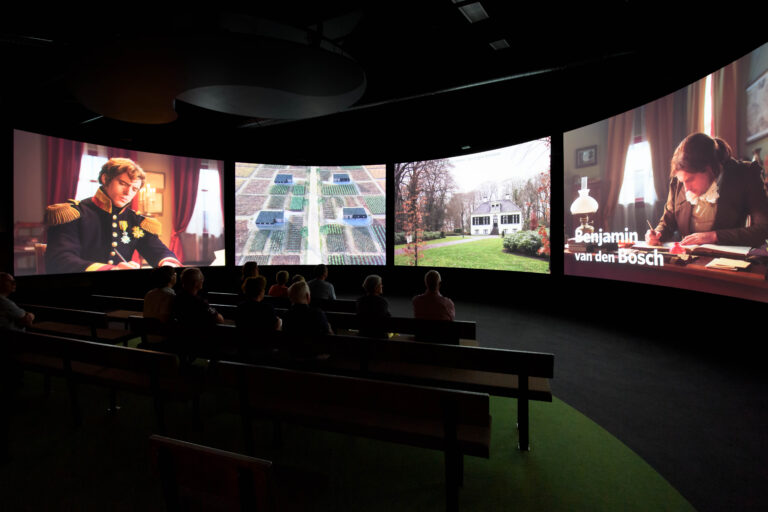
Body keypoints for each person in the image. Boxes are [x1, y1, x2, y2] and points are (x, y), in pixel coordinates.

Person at [44, 157, 181, 274]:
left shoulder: (135, 220)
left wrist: (168, 264)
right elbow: (59, 260)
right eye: (122, 184)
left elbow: (158, 251)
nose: (128, 192)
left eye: (134, 189)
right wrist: (112, 269)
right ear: (105, 179)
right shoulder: (72, 214)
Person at [645, 133, 768, 248]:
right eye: (682, 181)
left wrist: (714, 236)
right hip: (688, 258)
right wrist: (657, 233)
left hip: (728, 259)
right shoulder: (678, 182)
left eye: (690, 179)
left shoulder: (745, 173)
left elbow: (763, 229)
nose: (686, 188)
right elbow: (667, 222)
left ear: (709, 169)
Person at [356, 274, 391, 339]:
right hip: (379, 336)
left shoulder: (360, 301)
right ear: (376, 287)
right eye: (380, 284)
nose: (382, 286)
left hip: (363, 335)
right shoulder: (382, 302)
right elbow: (387, 320)